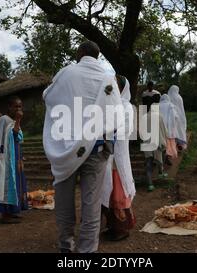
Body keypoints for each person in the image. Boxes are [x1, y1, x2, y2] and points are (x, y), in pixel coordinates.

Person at [43, 40, 122, 253]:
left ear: (80, 53)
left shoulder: (67, 73)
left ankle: (66, 246)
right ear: (97, 56)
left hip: (67, 149)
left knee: (64, 199)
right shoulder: (108, 79)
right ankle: (87, 252)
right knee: (91, 204)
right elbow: (117, 115)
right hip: (97, 148)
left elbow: (47, 96)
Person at [101, 75, 136, 241]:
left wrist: (109, 131)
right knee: (108, 191)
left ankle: (121, 229)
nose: (112, 86)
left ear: (122, 88)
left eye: (115, 84)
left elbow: (125, 130)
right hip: (108, 154)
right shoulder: (111, 106)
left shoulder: (127, 107)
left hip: (118, 156)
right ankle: (112, 227)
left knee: (117, 192)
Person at [0, 96, 28, 224]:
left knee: (17, 183)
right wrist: (18, 120)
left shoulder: (12, 121)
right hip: (6, 159)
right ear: (9, 107)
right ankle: (5, 214)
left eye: (20, 106)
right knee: (7, 184)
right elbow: (10, 135)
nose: (18, 109)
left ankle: (13, 210)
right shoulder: (4, 120)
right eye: (15, 106)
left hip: (15, 157)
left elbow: (18, 138)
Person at [141, 93, 168, 192]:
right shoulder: (159, 117)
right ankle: (161, 172)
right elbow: (164, 131)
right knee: (161, 157)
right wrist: (164, 139)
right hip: (157, 142)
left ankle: (150, 184)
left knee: (148, 164)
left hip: (147, 143)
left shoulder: (144, 117)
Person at [159, 94, 180, 162]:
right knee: (170, 142)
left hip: (160, 126)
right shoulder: (170, 105)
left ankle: (161, 156)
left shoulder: (158, 105)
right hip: (169, 126)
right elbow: (175, 116)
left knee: (162, 141)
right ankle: (168, 155)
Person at [167, 85, 187, 150]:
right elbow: (182, 108)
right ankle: (179, 144)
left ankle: (173, 144)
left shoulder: (168, 96)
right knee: (179, 129)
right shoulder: (179, 97)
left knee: (172, 129)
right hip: (179, 115)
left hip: (171, 115)